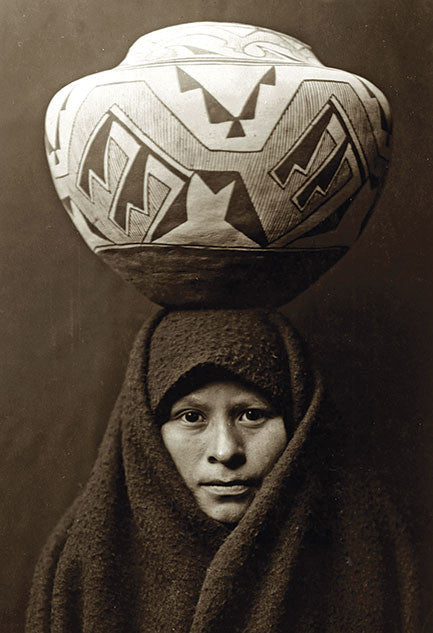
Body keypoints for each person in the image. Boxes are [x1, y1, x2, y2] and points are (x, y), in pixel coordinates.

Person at [26, 309, 420, 632]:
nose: (225, 450)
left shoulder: (370, 551)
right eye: (191, 417)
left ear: (301, 424)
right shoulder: (82, 565)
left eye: (252, 414)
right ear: (145, 433)